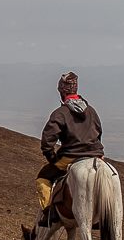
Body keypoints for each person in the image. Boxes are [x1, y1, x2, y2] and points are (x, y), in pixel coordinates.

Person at [37, 71, 103, 214]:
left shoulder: (60, 113)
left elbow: (47, 140)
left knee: (43, 178)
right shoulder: (92, 111)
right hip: (96, 156)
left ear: (61, 91)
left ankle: (49, 214)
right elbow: (99, 133)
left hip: (70, 157)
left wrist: (52, 158)